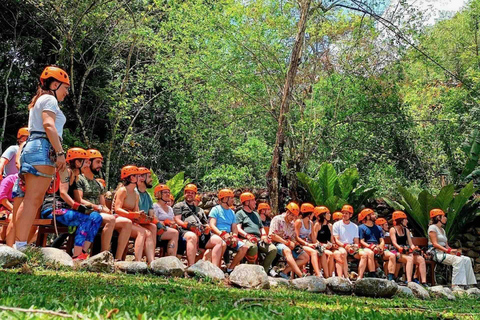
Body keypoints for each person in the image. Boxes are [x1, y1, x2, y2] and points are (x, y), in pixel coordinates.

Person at [14, 66, 70, 250]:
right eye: (65, 87)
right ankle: (20, 245)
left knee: (30, 199)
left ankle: (20, 243)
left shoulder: (39, 100)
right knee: (33, 200)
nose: (66, 92)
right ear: (54, 84)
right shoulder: (50, 99)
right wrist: (60, 153)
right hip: (43, 147)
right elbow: (49, 125)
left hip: (33, 147)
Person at [40, 148, 103, 260]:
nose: (87, 164)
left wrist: (89, 207)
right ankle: (77, 255)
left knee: (96, 218)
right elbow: (63, 193)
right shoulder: (66, 171)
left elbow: (77, 199)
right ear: (78, 162)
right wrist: (77, 207)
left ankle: (83, 251)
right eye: (85, 161)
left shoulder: (75, 176)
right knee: (85, 219)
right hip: (53, 209)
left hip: (66, 211)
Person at [76, 149, 132, 260]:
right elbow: (79, 200)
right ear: (88, 162)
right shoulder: (79, 179)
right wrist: (98, 208)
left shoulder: (98, 184)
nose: (100, 165)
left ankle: (118, 258)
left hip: (100, 214)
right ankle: (104, 256)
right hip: (86, 212)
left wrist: (108, 211)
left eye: (101, 163)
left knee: (127, 222)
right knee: (110, 220)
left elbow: (103, 204)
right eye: (97, 162)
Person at [113, 165, 156, 264]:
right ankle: (136, 261)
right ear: (132, 178)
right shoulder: (123, 190)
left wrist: (142, 216)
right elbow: (117, 209)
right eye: (138, 176)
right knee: (141, 232)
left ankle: (151, 262)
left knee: (148, 233)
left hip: (129, 220)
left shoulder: (136, 194)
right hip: (119, 218)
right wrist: (132, 214)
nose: (140, 178)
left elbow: (136, 211)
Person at [174, 184, 225, 267]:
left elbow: (205, 223)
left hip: (201, 232)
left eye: (192, 193)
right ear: (185, 194)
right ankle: (191, 266)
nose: (190, 194)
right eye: (188, 192)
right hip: (185, 231)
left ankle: (215, 268)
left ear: (195, 195)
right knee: (192, 236)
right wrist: (188, 226)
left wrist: (207, 228)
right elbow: (177, 220)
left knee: (218, 240)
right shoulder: (179, 206)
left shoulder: (199, 210)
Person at [428, 208, 477, 287]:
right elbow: (435, 244)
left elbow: (446, 245)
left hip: (444, 252)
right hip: (436, 253)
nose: (445, 218)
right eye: (443, 216)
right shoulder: (432, 228)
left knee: (467, 259)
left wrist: (453, 251)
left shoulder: (443, 230)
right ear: (438, 218)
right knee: (458, 260)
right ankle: (456, 285)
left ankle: (468, 284)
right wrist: (447, 251)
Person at [209, 188, 250, 273]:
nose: (233, 200)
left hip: (229, 236)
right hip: (218, 235)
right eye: (230, 198)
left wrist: (234, 236)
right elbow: (212, 225)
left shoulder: (232, 212)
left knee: (244, 247)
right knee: (222, 243)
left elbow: (234, 227)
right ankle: (216, 268)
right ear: (224, 199)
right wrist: (222, 234)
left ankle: (230, 268)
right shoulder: (215, 209)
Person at [235, 192, 277, 272]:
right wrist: (247, 236)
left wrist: (264, 235)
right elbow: (238, 228)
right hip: (245, 238)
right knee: (253, 247)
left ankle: (263, 271)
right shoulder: (240, 213)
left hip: (258, 239)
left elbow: (261, 228)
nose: (255, 202)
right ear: (247, 202)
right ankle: (251, 272)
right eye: (253, 200)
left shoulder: (256, 214)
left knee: (273, 249)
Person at [269, 202, 309, 279]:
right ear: (287, 212)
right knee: (287, 251)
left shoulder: (291, 224)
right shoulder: (277, 219)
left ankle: (284, 272)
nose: (293, 218)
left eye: (295, 216)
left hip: (288, 243)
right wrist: (286, 242)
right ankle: (301, 275)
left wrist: (294, 243)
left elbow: (293, 237)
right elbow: (272, 235)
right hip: (277, 243)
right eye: (292, 215)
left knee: (305, 257)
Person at [333, 205, 371, 279]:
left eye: (346, 213)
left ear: (350, 215)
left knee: (364, 255)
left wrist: (355, 246)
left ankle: (360, 277)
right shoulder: (337, 225)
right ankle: (346, 276)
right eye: (343, 213)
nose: (344, 215)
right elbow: (336, 240)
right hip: (341, 246)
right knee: (343, 253)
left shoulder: (354, 226)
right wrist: (345, 245)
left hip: (351, 246)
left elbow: (356, 241)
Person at [389, 211, 427, 285]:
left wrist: (415, 249)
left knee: (421, 259)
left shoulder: (406, 230)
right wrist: (400, 248)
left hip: (406, 251)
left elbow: (411, 243)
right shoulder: (393, 229)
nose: (407, 221)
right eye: (405, 219)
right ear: (400, 220)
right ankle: (409, 281)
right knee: (409, 258)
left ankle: (424, 281)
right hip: (396, 251)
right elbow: (394, 243)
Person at [358, 208, 396, 280]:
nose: (375, 215)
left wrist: (381, 247)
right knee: (371, 253)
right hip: (368, 247)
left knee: (392, 255)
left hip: (378, 247)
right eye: (372, 214)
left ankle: (391, 277)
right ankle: (373, 274)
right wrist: (371, 247)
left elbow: (382, 240)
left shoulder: (378, 228)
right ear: (367, 216)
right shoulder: (361, 227)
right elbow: (362, 241)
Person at [294, 203, 327, 277]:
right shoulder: (299, 222)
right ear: (309, 214)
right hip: (300, 244)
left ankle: (327, 275)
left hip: (308, 243)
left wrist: (318, 244)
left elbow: (313, 238)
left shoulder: (311, 223)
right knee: (313, 252)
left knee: (322, 251)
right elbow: (296, 237)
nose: (314, 215)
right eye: (312, 213)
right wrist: (307, 244)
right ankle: (318, 273)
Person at [152, 184, 179, 256]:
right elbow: (154, 220)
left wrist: (173, 224)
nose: (168, 194)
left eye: (168, 192)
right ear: (159, 194)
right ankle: (172, 257)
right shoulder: (155, 206)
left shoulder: (170, 208)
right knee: (174, 233)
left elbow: (173, 220)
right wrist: (164, 222)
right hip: (158, 230)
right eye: (165, 192)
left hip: (168, 229)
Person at [313, 206, 335, 277]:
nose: (330, 215)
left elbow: (331, 238)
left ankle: (329, 274)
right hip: (320, 246)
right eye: (328, 213)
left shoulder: (330, 226)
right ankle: (327, 275)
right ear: (323, 215)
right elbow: (314, 238)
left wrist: (332, 244)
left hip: (328, 246)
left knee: (332, 254)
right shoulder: (317, 225)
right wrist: (322, 245)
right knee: (330, 254)